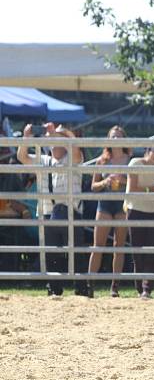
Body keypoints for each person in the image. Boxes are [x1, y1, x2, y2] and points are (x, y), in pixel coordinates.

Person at [17, 123, 88, 296]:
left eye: (58, 138)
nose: (54, 140)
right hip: (48, 213)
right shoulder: (43, 160)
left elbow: (76, 149)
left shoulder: (74, 158)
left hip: (71, 213)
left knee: (76, 252)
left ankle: (81, 287)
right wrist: (26, 137)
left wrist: (64, 133)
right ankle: (54, 287)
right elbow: (22, 157)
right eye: (52, 138)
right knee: (51, 253)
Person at [87, 125, 131, 297]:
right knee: (98, 245)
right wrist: (105, 182)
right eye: (113, 137)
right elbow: (93, 186)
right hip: (104, 204)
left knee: (118, 246)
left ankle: (114, 286)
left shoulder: (130, 159)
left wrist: (123, 180)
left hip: (122, 204)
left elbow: (135, 183)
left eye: (119, 136)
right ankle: (89, 284)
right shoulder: (102, 161)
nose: (116, 140)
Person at [126, 147, 154, 299]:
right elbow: (132, 189)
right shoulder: (135, 163)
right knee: (138, 253)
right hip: (136, 210)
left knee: (152, 252)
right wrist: (153, 190)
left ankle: (146, 288)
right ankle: (140, 288)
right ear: (147, 151)